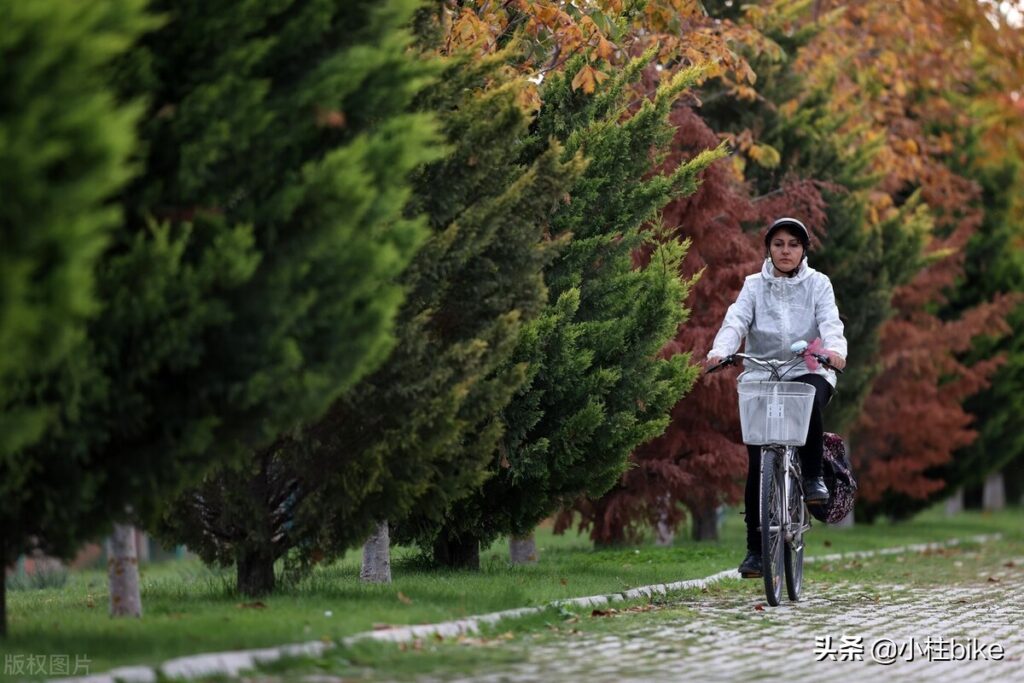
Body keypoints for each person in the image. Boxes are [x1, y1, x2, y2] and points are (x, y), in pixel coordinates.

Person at [706, 217, 847, 579]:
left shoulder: (818, 284)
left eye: (794, 244)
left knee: (808, 394)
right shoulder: (754, 285)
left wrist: (833, 351)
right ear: (768, 248)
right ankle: (756, 551)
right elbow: (736, 320)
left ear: (804, 251)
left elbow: (830, 321)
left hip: (808, 368)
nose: (786, 251)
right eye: (779, 243)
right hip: (761, 372)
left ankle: (813, 478)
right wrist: (721, 351)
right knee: (758, 461)